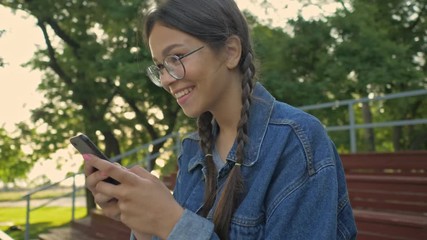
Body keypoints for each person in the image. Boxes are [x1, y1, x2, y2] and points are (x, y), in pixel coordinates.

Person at [83, 0, 357, 239]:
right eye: (160, 67)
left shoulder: (297, 142)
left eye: (176, 58)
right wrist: (145, 227)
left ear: (230, 52)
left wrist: (170, 221)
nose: (166, 78)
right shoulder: (192, 151)